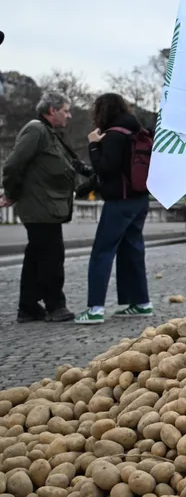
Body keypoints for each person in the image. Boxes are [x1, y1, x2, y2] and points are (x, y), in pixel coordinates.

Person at [0, 91, 89, 323]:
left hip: (44, 206)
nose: (69, 115)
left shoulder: (47, 132)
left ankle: (28, 307)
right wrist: (10, 193)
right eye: (65, 111)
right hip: (40, 207)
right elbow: (13, 165)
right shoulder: (36, 130)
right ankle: (54, 305)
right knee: (51, 257)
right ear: (52, 110)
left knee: (36, 256)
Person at [74, 93, 153, 325]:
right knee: (132, 251)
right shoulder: (137, 132)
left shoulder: (114, 136)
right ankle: (141, 302)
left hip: (120, 201)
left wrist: (93, 145)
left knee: (102, 252)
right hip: (140, 199)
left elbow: (106, 169)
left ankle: (95, 308)